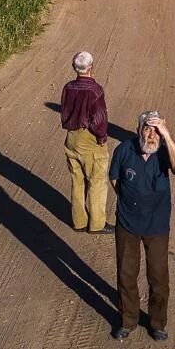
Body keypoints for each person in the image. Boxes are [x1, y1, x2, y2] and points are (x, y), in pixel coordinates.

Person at [108, 111, 175, 341]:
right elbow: (114, 178)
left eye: (155, 130)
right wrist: (128, 201)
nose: (151, 134)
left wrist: (168, 136)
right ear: (138, 129)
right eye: (147, 128)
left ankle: (157, 323)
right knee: (126, 274)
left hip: (157, 225)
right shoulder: (124, 149)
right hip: (127, 223)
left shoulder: (164, 151)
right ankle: (128, 319)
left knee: (159, 276)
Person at [59, 51, 112, 234]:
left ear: (75, 68)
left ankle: (79, 221)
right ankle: (97, 224)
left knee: (77, 180)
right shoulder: (95, 90)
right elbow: (99, 119)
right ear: (91, 67)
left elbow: (64, 113)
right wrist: (101, 137)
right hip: (90, 139)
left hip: (72, 137)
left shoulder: (68, 87)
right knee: (97, 182)